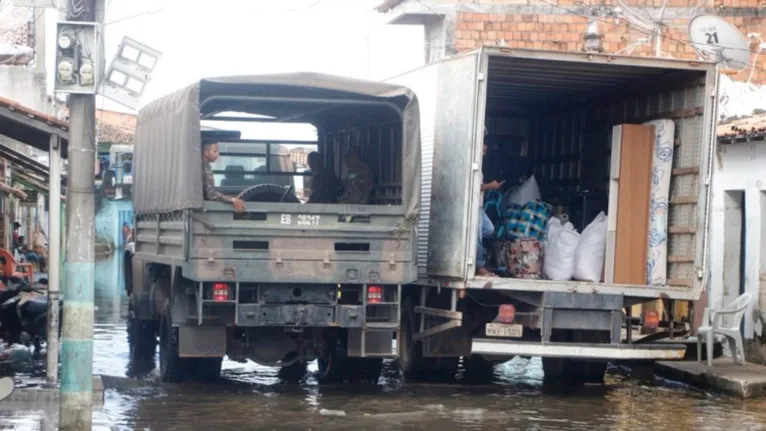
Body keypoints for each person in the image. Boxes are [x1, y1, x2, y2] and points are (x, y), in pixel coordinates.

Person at [477, 142, 503, 277]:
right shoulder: (471, 165)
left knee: (489, 229)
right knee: (477, 236)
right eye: (483, 151)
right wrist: (490, 186)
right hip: (473, 207)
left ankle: (474, 254)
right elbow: (474, 186)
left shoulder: (478, 167)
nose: (484, 153)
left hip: (479, 207)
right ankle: (479, 266)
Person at [202, 140, 246, 213]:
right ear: (206, 152)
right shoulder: (204, 167)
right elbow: (211, 194)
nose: (218, 154)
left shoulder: (203, 164)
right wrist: (232, 199)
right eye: (215, 151)